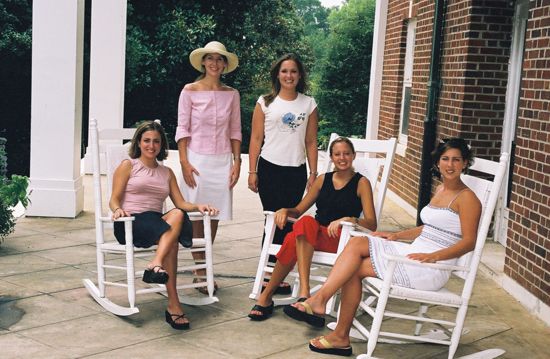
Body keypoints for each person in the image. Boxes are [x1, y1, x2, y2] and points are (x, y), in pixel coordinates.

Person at [283, 138, 482, 357]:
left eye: (456, 160)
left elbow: (469, 242)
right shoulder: (442, 189)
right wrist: (396, 235)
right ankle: (333, 324)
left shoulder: (468, 198)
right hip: (415, 255)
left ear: (465, 163)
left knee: (355, 262)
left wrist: (434, 256)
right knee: (356, 250)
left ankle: (326, 311)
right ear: (437, 162)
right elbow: (428, 228)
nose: (450, 165)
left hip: (432, 267)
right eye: (445, 159)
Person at [248, 137, 377, 321]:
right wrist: (285, 210)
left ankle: (266, 298)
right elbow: (299, 210)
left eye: (347, 153)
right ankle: (304, 294)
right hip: (313, 236)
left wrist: (349, 219)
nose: (342, 158)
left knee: (294, 238)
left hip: (340, 238)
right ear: (331, 157)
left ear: (353, 156)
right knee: (305, 223)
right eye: (337, 154)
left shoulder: (361, 183)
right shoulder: (323, 180)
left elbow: (372, 223)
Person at [109, 121, 219, 330]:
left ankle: (157, 268)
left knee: (176, 216)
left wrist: (199, 206)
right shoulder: (128, 165)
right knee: (172, 240)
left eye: (156, 141)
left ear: (162, 145)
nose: (151, 145)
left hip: (156, 224)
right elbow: (114, 198)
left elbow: (181, 204)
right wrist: (117, 210)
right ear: (139, 143)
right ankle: (173, 304)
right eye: (147, 141)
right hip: (131, 222)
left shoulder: (166, 172)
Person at [248, 53, 319, 295]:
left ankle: (279, 274)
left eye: (293, 72)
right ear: (277, 74)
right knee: (272, 221)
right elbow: (256, 138)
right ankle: (267, 275)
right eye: (284, 71)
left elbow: (311, 141)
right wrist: (252, 170)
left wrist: (313, 172)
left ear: (300, 76)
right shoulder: (265, 102)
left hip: (296, 171)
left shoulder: (309, 104)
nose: (289, 76)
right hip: (269, 169)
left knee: (289, 223)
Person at [175, 41, 242, 294]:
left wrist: (237, 162)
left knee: (213, 216)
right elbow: (183, 128)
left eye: (220, 59)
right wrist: (184, 161)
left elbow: (235, 130)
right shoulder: (189, 91)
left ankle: (203, 265)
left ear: (225, 64)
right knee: (196, 215)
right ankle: (201, 268)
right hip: (197, 159)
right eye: (210, 58)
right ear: (203, 62)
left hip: (223, 160)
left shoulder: (232, 94)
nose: (215, 63)